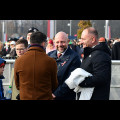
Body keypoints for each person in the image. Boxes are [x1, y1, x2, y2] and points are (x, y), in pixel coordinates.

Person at [14, 31, 58, 100]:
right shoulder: (51, 61)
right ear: (43, 43)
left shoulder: (19, 61)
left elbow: (17, 85)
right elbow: (54, 85)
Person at [79, 27, 111, 100]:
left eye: (83, 39)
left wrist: (80, 81)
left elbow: (100, 78)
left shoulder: (100, 55)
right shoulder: (92, 53)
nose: (81, 41)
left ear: (93, 39)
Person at [48, 31, 81, 100]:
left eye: (62, 42)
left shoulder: (74, 57)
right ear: (54, 42)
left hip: (65, 97)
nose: (60, 44)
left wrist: (55, 94)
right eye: (57, 42)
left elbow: (71, 81)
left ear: (68, 41)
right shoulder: (49, 55)